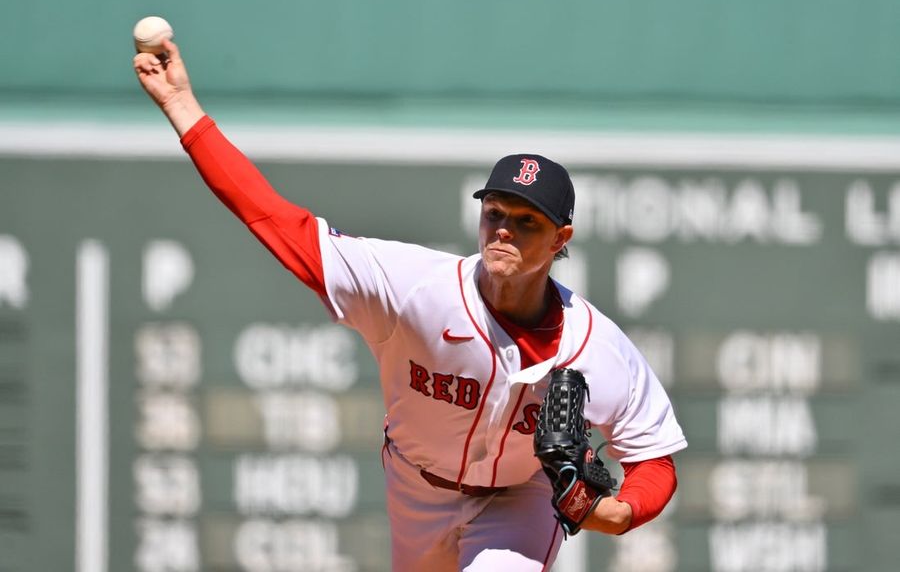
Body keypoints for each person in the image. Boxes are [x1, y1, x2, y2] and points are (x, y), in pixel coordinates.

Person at [134, 39, 688, 571]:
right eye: (495, 213)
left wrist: (616, 511)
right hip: (415, 487)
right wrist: (182, 105)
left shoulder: (595, 346)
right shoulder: (414, 289)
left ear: (560, 239)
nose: (504, 232)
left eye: (527, 223)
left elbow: (655, 461)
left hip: (519, 499)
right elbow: (277, 222)